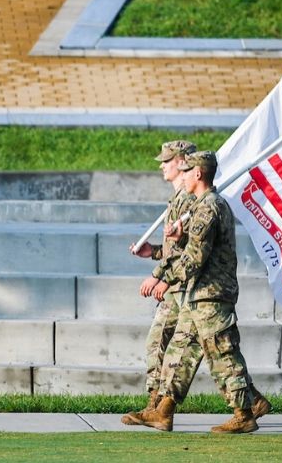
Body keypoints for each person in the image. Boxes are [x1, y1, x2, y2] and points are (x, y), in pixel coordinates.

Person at [139, 150, 270, 434]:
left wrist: (163, 277)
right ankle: (162, 412)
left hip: (211, 295)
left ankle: (244, 413)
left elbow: (194, 258)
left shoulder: (209, 207)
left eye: (186, 171)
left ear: (198, 174)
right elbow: (194, 250)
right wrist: (178, 240)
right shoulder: (203, 206)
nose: (182, 176)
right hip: (198, 295)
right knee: (179, 353)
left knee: (222, 355)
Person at [121, 140, 203, 425]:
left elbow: (189, 252)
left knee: (173, 346)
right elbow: (173, 249)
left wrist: (160, 278)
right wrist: (153, 252)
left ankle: (158, 408)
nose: (161, 165)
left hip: (185, 287)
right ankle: (155, 407)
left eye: (166, 160)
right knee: (168, 344)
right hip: (176, 285)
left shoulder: (190, 201)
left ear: (182, 161)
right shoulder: (179, 199)